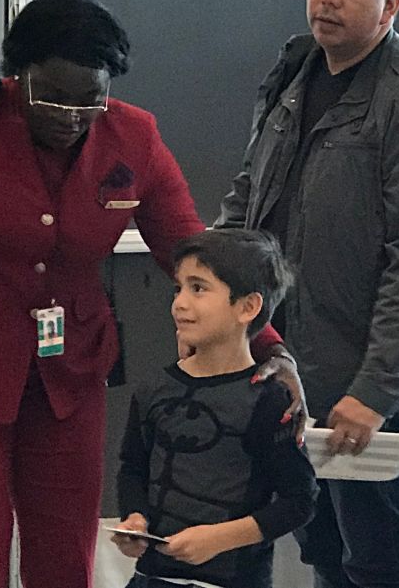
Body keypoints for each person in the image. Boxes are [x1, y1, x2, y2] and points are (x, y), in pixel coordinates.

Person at [0, 0, 302, 588]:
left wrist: (269, 346)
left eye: (90, 100)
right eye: (52, 96)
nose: (72, 115)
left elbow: (193, 252)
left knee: (66, 557)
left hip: (68, 369)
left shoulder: (133, 137)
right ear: (15, 78)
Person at [216, 0, 399, 588]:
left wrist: (375, 392)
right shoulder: (295, 70)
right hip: (292, 365)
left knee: (378, 553)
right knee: (318, 539)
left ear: (390, 5)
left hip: (367, 377)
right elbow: (250, 195)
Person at [112, 228, 317, 588]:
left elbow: (298, 501)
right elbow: (133, 468)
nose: (180, 303)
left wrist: (219, 539)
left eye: (199, 288)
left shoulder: (267, 400)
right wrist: (135, 520)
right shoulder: (154, 388)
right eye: (179, 288)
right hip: (152, 578)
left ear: (248, 307)